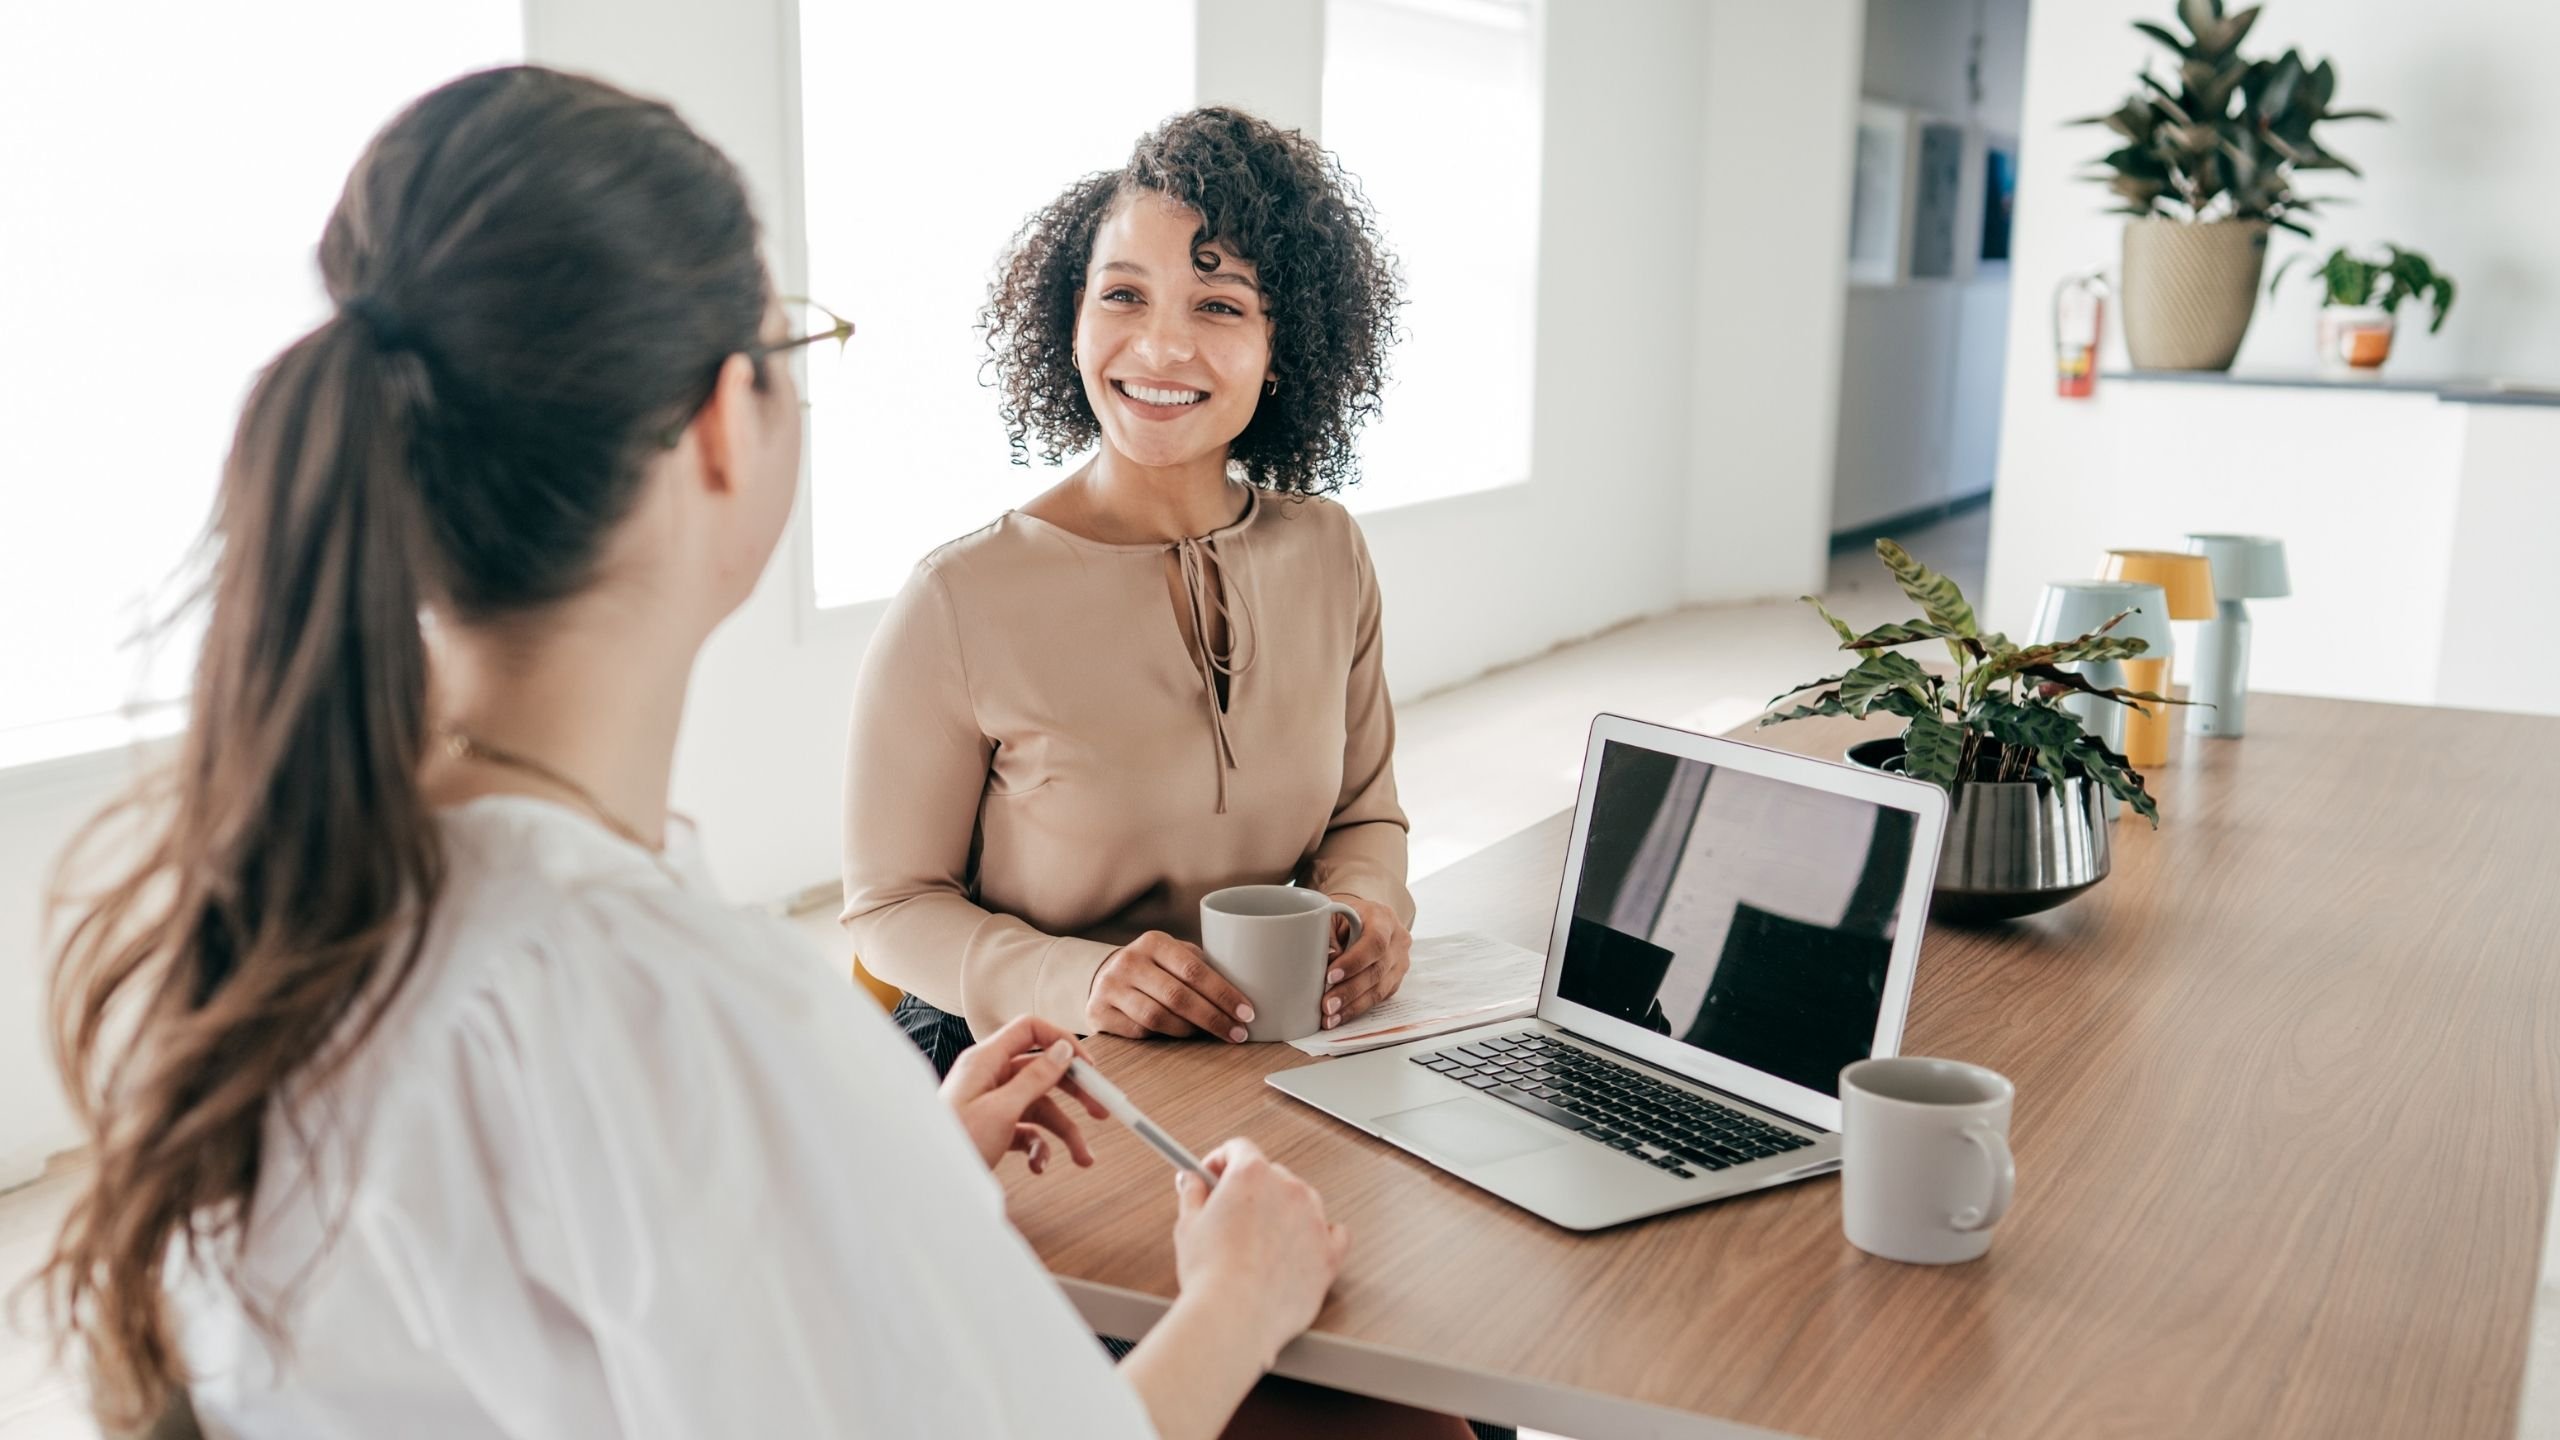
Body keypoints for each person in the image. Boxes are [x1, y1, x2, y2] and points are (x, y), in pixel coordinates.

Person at [37, 66, 1456, 1440]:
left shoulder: (290, 904)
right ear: (726, 424)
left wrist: (898, 1166)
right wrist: (1239, 1297)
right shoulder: (697, 1018)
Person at [843, 108, 1418, 1071]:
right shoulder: (960, 596)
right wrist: (1083, 980)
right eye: (1122, 296)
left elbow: (1364, 813)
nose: (1158, 348)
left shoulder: (1327, 551)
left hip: (1257, 1049)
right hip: (1019, 1065)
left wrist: (1371, 909)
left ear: (1286, 347)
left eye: (1219, 305)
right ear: (1070, 323)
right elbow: (889, 911)